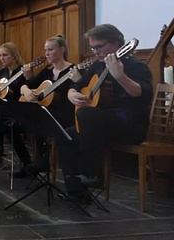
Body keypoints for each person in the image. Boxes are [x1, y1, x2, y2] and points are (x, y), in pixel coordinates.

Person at [59, 24, 152, 201]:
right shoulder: (97, 65)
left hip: (130, 125)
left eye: (99, 47)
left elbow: (143, 93)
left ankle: (94, 175)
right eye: (93, 48)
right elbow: (76, 86)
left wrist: (120, 76)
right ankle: (77, 192)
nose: (95, 52)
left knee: (86, 115)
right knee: (64, 134)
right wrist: (73, 95)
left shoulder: (136, 66)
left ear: (116, 43)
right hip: (99, 126)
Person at [20, 35, 77, 175]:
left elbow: (80, 90)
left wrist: (78, 80)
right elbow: (26, 86)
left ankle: (44, 161)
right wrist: (26, 91)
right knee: (25, 120)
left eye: (50, 49)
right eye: (46, 50)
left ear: (62, 49)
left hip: (65, 115)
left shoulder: (73, 70)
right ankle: (39, 160)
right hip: (45, 112)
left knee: (37, 119)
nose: (46, 53)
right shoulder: (47, 71)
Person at [0, 42, 32, 175]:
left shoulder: (21, 70)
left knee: (5, 124)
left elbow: (28, 88)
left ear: (14, 56)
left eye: (5, 55)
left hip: (18, 109)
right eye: (0, 55)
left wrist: (29, 77)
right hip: (3, 111)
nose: (2, 58)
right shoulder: (2, 71)